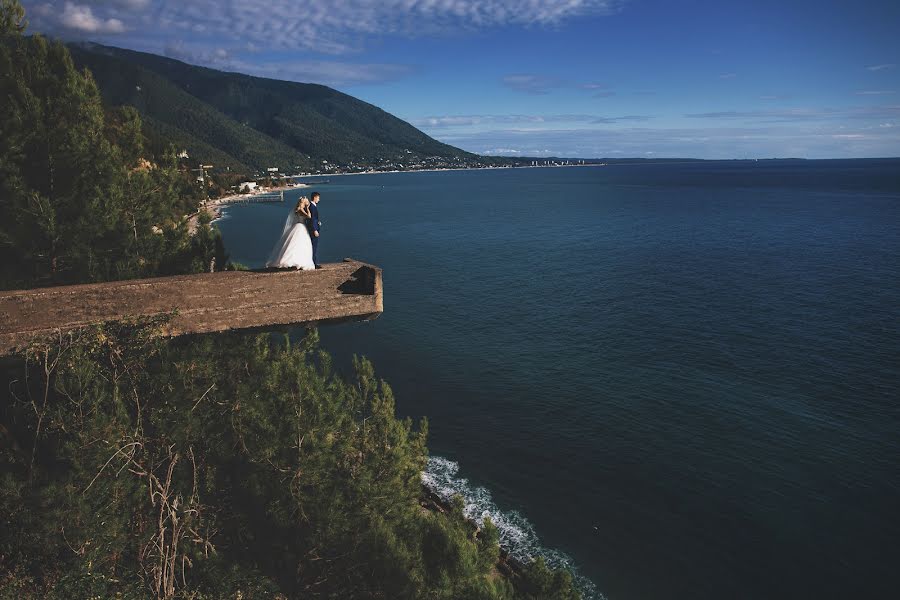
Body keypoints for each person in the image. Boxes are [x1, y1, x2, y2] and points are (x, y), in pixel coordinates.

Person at [265, 196, 315, 270]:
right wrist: (307, 208)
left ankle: (296, 261)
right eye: (305, 202)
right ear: (303, 203)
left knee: (296, 244)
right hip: (300, 227)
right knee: (298, 245)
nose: (306, 203)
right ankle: (294, 261)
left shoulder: (297, 209)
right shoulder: (300, 210)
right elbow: (309, 216)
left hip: (298, 226)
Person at [307, 191, 322, 269]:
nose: (319, 200)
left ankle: (313, 262)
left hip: (314, 228)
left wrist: (318, 222)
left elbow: (314, 218)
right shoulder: (312, 207)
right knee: (314, 246)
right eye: (318, 198)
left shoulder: (312, 206)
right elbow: (312, 219)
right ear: (315, 197)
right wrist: (315, 229)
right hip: (313, 230)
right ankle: (314, 263)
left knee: (313, 246)